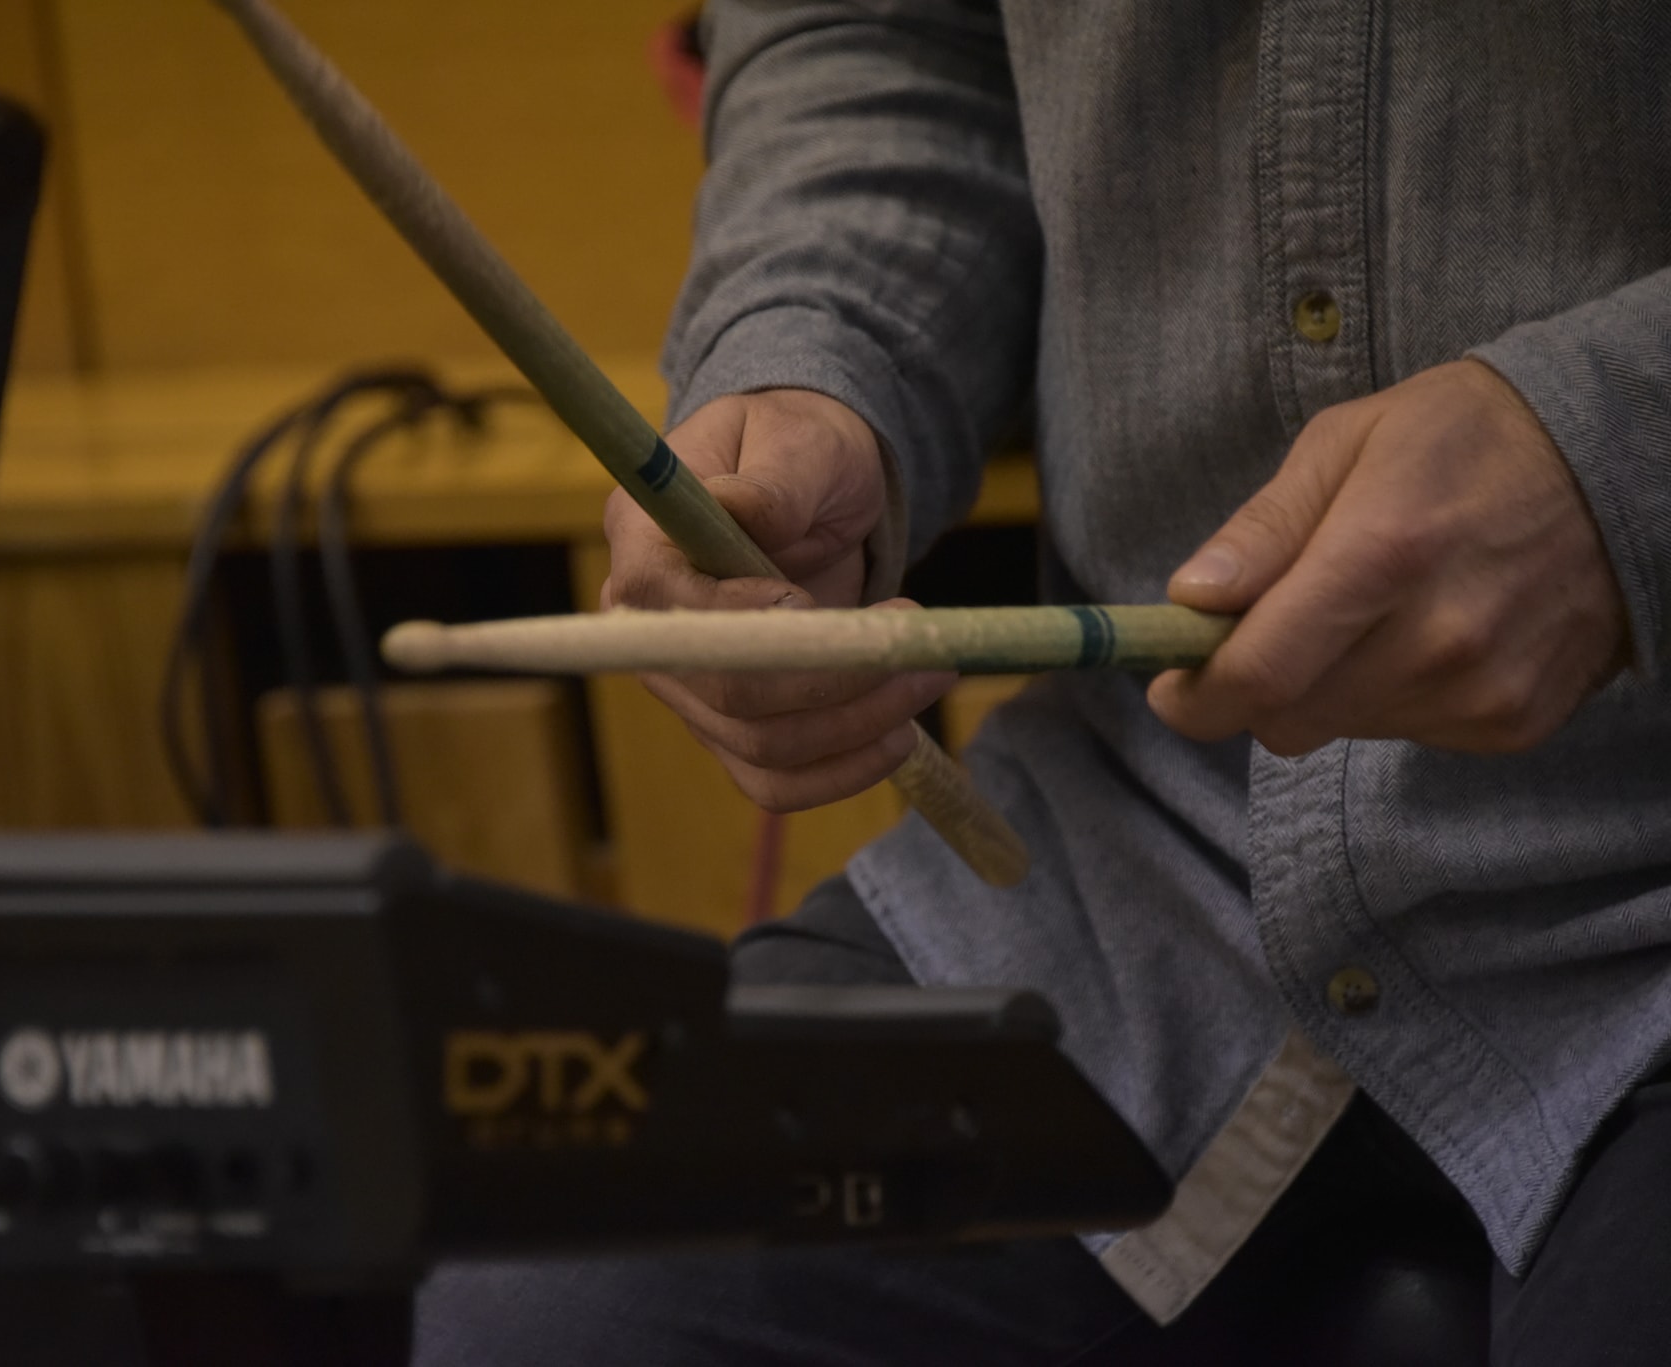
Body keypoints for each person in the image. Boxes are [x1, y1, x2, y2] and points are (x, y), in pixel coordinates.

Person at [415, 3, 1671, 1362]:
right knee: (550, 1314)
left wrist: (1621, 449)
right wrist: (808, 364)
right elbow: (890, 41)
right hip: (1151, 845)